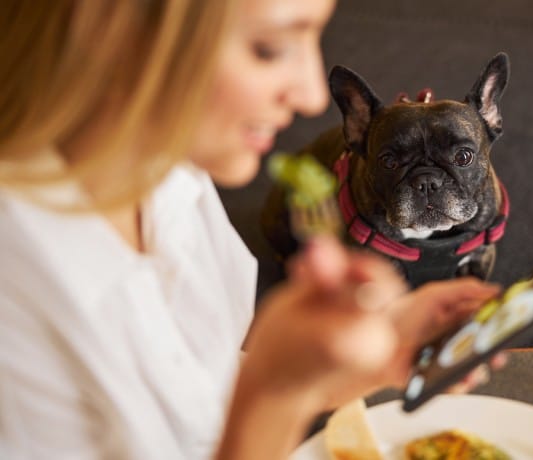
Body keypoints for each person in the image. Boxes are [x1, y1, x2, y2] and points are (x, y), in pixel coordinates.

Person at [0, 0, 504, 458]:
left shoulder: (175, 180)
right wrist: (273, 392)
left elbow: (204, 396)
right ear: (114, 33)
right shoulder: (22, 297)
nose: (310, 95)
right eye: (269, 48)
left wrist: (375, 353)